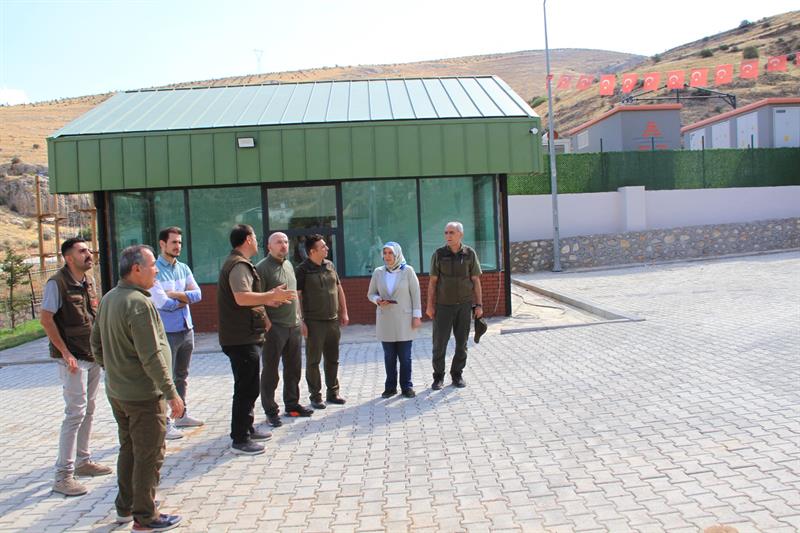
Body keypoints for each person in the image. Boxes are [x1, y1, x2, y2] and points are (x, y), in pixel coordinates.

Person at [90, 245, 183, 531]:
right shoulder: (138, 303)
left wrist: (115, 370)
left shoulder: (109, 298)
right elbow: (151, 355)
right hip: (143, 395)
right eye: (153, 265)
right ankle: (145, 516)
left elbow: (95, 344)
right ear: (136, 269)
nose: (156, 270)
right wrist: (171, 393)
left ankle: (126, 506)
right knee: (149, 454)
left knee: (130, 449)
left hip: (119, 392)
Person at [41, 237, 113, 497]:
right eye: (82, 251)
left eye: (89, 250)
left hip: (91, 355)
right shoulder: (57, 283)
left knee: (89, 410)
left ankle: (83, 461)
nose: (89, 254)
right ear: (68, 257)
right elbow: (46, 319)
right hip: (72, 359)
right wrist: (65, 353)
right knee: (75, 413)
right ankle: (63, 475)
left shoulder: (88, 281)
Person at [217, 224, 296, 455]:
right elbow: (241, 297)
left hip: (245, 334)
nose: (257, 241)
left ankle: (247, 428)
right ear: (248, 239)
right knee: (246, 388)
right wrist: (269, 295)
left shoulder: (241, 263)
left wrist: (267, 301)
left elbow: (248, 298)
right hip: (240, 337)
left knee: (249, 386)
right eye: (254, 236)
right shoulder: (239, 265)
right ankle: (240, 439)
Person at [150, 227, 203, 441]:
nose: (178, 246)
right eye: (174, 242)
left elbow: (198, 294)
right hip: (166, 332)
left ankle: (181, 415)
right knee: (166, 379)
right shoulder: (154, 270)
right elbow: (162, 303)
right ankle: (165, 423)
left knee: (182, 375)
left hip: (186, 328)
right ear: (162, 244)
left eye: (180, 242)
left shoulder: (183, 268)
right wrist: (183, 299)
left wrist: (174, 295)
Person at [255, 232, 313, 428]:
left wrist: (300, 319)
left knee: (293, 368)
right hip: (275, 327)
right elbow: (257, 298)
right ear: (269, 246)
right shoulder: (262, 268)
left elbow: (294, 295)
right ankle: (270, 411)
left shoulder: (289, 265)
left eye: (286, 242)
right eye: (279, 242)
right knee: (271, 371)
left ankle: (292, 404)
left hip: (293, 326)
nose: (283, 245)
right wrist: (266, 322)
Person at [426, 221, 483, 390]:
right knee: (439, 343)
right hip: (443, 306)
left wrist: (479, 305)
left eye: (451, 232)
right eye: (446, 232)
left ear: (460, 235)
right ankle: (438, 377)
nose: (448, 236)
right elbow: (432, 282)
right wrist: (430, 306)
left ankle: (457, 374)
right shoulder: (439, 254)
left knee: (462, 343)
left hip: (464, 306)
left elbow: (476, 280)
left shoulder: (469, 254)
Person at [296, 234, 349, 409]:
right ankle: (315, 396)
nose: (327, 248)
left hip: (332, 321)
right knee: (313, 361)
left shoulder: (330, 265)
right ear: (312, 251)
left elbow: (339, 289)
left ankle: (333, 393)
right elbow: (297, 296)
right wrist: (301, 320)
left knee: (333, 359)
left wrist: (344, 312)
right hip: (313, 322)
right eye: (323, 246)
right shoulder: (302, 270)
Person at [367, 242, 422, 398]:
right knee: (389, 356)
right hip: (385, 320)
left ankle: (407, 387)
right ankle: (390, 387)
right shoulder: (378, 272)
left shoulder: (408, 271)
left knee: (405, 357)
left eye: (390, 253)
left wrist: (417, 316)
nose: (387, 256)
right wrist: (377, 300)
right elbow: (370, 294)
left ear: (397, 254)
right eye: (385, 253)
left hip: (405, 320)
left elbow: (416, 294)